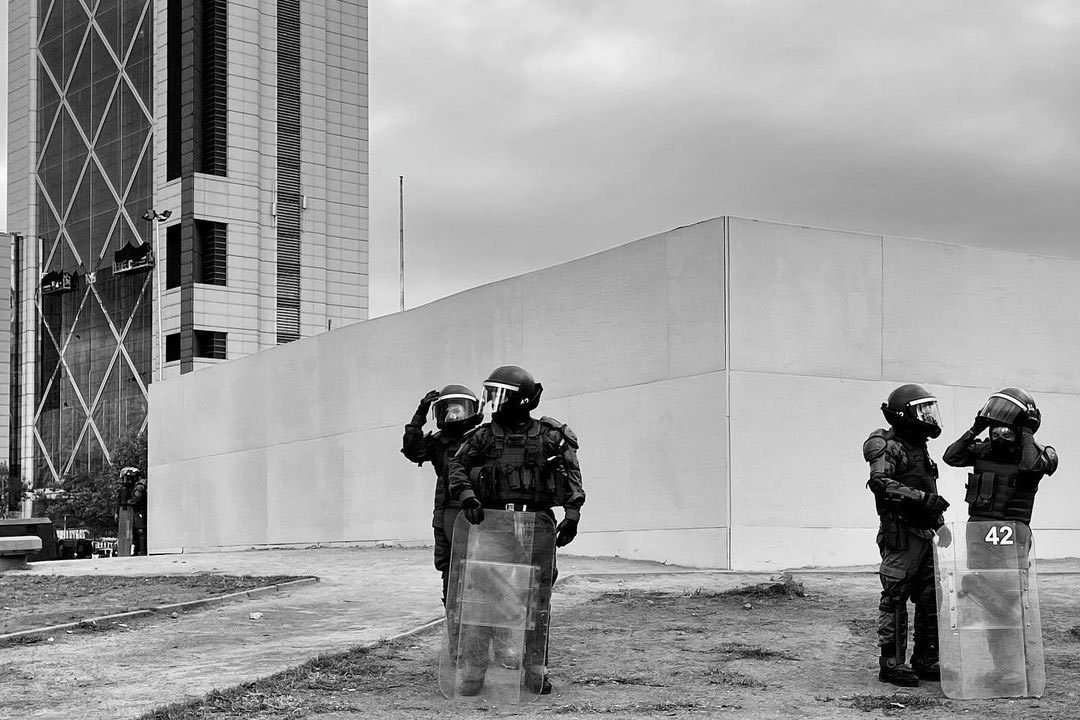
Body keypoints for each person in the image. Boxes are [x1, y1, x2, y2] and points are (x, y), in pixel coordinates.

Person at [448, 364, 585, 696]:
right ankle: (474, 669)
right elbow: (456, 466)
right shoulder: (483, 436)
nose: (495, 401)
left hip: (537, 525)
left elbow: (571, 473)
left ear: (521, 400)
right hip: (493, 525)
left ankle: (535, 670)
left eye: (502, 394)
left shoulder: (551, 436)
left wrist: (572, 513)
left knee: (538, 599)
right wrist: (467, 496)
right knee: (484, 597)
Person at [941, 387, 1058, 686]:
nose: (998, 436)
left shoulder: (1039, 454)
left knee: (1008, 603)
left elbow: (1031, 467)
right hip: (979, 536)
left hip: (1010, 540)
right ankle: (1002, 668)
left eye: (1006, 430)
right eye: (994, 430)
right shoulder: (983, 450)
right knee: (987, 602)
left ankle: (1017, 667)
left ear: (1022, 429)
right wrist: (975, 428)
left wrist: (1028, 434)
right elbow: (951, 457)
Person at [863, 383, 950, 687]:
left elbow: (929, 488)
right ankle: (891, 664)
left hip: (925, 533)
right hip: (901, 534)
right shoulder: (887, 444)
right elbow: (881, 483)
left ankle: (925, 660)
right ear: (905, 413)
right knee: (895, 598)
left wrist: (939, 523)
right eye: (922, 410)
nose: (928, 417)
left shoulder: (918, 446)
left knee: (930, 599)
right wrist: (922, 500)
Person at [401, 384, 483, 604]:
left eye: (459, 410)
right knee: (447, 563)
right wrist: (420, 414)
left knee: (480, 560)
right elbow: (413, 450)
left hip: (476, 506)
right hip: (446, 507)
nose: (453, 415)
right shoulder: (439, 441)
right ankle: (452, 609)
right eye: (448, 410)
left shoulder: (480, 438)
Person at [119, 467, 148, 556]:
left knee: (140, 530)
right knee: (135, 531)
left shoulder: (139, 486)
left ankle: (142, 550)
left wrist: (128, 502)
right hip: (136, 511)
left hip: (140, 510)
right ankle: (137, 549)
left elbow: (137, 498)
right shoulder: (134, 486)